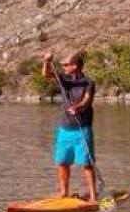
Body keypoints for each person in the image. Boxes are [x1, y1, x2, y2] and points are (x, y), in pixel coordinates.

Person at [42, 51, 97, 202]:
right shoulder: (63, 79)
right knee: (62, 163)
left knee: (86, 164)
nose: (63, 67)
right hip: (65, 130)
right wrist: (47, 62)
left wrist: (78, 107)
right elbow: (47, 75)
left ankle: (93, 197)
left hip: (82, 130)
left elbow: (87, 100)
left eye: (66, 65)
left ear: (75, 66)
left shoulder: (89, 82)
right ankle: (64, 192)